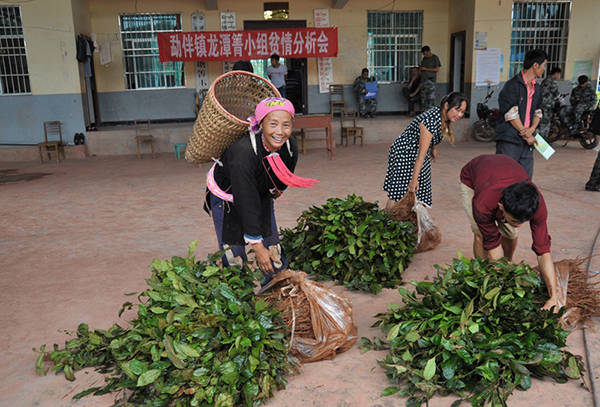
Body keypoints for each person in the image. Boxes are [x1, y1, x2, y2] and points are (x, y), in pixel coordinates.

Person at [204, 97, 315, 286]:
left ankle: (276, 295)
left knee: (274, 252)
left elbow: (285, 175)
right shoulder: (243, 154)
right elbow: (245, 200)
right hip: (227, 196)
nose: (280, 132)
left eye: (286, 125)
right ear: (261, 124)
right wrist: (257, 246)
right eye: (273, 124)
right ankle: (239, 299)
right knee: (234, 257)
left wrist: (275, 191)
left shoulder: (289, 146)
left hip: (259, 192)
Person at [459, 154, 558, 311]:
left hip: (504, 173)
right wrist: (498, 287)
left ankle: (507, 265)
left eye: (522, 222)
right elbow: (492, 244)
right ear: (501, 207)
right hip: (473, 178)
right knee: (480, 234)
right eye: (514, 221)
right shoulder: (482, 204)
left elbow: (543, 251)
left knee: (511, 234)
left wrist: (554, 296)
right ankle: (482, 274)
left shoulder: (537, 204)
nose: (518, 225)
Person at [383, 92, 467, 208]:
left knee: (422, 186)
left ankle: (413, 219)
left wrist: (434, 147)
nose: (460, 114)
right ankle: (388, 220)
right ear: (447, 106)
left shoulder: (442, 116)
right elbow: (421, 156)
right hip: (404, 152)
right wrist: (413, 180)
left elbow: (433, 136)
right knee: (400, 192)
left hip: (417, 151)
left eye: (462, 112)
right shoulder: (430, 121)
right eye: (457, 110)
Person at [496, 49, 547, 179]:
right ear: (535, 65)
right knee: (505, 178)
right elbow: (511, 114)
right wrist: (526, 133)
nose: (544, 69)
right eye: (544, 65)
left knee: (525, 180)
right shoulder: (512, 86)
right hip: (510, 140)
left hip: (528, 141)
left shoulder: (538, 88)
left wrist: (532, 130)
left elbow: (538, 111)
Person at [539, 67, 561, 140]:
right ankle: (543, 140)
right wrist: (559, 98)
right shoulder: (552, 81)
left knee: (543, 121)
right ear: (556, 74)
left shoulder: (545, 80)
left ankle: (543, 139)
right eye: (559, 74)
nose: (559, 76)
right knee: (545, 122)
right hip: (547, 105)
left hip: (542, 104)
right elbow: (556, 93)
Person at [419, 46, 441, 110]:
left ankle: (431, 112)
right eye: (423, 54)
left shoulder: (435, 58)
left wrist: (426, 69)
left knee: (431, 98)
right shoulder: (424, 59)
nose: (424, 55)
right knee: (423, 99)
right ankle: (424, 112)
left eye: (425, 53)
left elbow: (437, 69)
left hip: (431, 81)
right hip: (423, 81)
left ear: (428, 51)